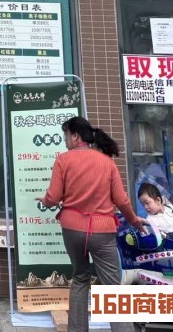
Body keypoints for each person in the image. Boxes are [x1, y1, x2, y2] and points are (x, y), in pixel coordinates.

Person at [38, 117, 146, 332]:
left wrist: (46, 201)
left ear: (75, 136)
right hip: (102, 231)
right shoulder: (107, 162)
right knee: (112, 288)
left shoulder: (63, 160)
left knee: (80, 278)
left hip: (72, 229)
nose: (65, 140)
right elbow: (121, 200)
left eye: (66, 135)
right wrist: (134, 221)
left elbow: (54, 197)